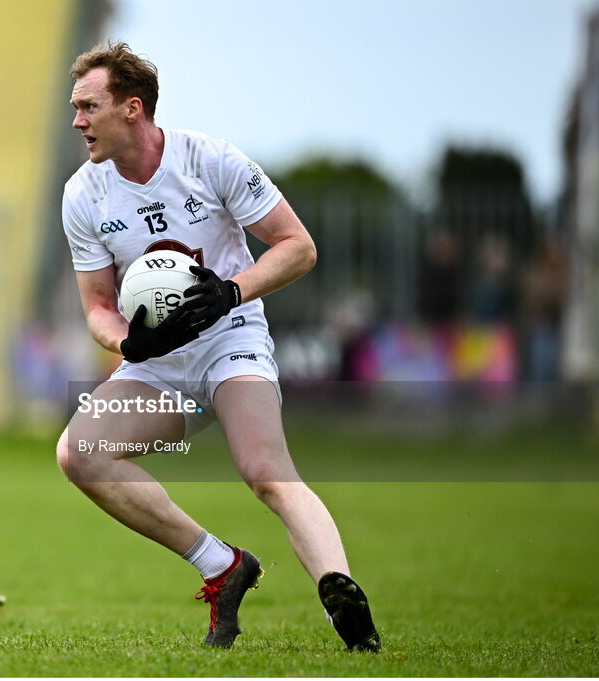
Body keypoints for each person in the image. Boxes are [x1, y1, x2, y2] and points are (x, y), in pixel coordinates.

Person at [56, 42, 381, 651]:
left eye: (87, 106)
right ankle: (221, 565)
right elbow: (98, 306)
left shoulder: (210, 160)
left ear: (132, 109)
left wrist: (231, 292)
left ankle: (342, 595)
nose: (77, 121)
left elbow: (298, 246)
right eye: (75, 108)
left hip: (231, 342)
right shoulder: (84, 194)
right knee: (80, 454)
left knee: (265, 473)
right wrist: (131, 340)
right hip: (158, 364)